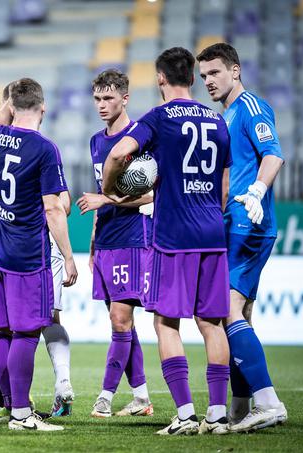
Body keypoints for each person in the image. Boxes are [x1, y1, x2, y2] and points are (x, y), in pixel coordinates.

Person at [102, 47, 232, 435]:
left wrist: (110, 189)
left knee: (166, 322)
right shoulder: (217, 120)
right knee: (212, 324)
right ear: (192, 78)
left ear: (160, 78)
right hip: (212, 232)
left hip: (174, 236)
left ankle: (187, 414)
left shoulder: (157, 117)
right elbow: (223, 185)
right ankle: (219, 415)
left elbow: (118, 153)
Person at [0, 78, 77, 431]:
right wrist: (69, 256)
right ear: (44, 108)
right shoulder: (45, 150)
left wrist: (11, 103)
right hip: (27, 258)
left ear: (12, 105)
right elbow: (53, 209)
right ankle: (20, 413)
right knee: (27, 334)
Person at [197, 42, 287, 431]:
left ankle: (268, 402)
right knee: (240, 314)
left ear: (235, 70)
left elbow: (273, 155)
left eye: (214, 73)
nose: (208, 81)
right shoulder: (227, 114)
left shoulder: (251, 107)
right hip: (234, 221)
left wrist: (258, 191)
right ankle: (240, 407)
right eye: (202, 76)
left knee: (227, 310)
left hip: (248, 223)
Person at [77, 69, 154, 418]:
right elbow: (100, 193)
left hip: (132, 238)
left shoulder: (138, 139)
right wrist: (93, 240)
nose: (102, 105)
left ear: (125, 98)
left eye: (109, 98)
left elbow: (151, 193)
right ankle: (141, 398)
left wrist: (105, 200)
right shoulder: (96, 141)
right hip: (106, 240)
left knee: (120, 319)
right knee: (120, 322)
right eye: (97, 98)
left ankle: (105, 397)